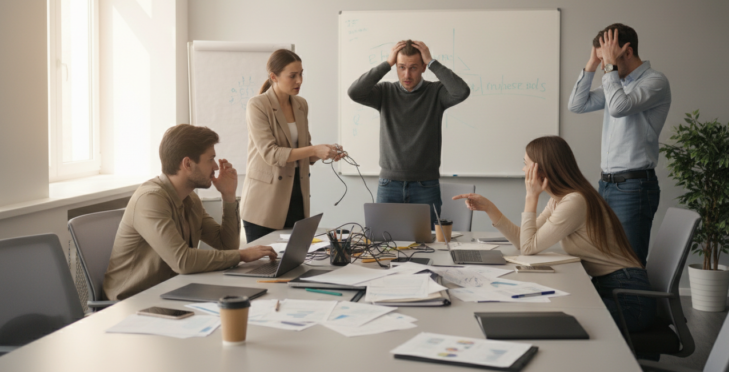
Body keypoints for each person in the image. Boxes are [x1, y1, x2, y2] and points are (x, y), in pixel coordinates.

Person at [453, 136, 656, 333]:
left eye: (526, 164)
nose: (523, 170)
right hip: (610, 287)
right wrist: (490, 208)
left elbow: (528, 248)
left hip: (629, 299)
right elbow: (524, 241)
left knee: (555, 315)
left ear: (540, 169)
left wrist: (531, 196)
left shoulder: (574, 201)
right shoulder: (560, 199)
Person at [103, 124, 277, 301]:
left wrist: (228, 196)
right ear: (187, 163)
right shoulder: (150, 199)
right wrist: (243, 255)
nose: (216, 167)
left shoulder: (190, 199)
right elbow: (182, 261)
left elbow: (226, 246)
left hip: (172, 291)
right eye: (210, 159)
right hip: (131, 303)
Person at [567, 24, 671, 266]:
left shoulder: (655, 81)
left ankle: (635, 305)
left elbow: (618, 108)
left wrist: (610, 69)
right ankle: (613, 305)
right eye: (603, 61)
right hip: (607, 185)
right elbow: (577, 105)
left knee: (628, 263)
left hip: (634, 187)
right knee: (606, 261)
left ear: (627, 52)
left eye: (608, 59)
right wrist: (592, 64)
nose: (605, 66)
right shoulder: (617, 82)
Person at [348, 40, 470, 228]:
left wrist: (432, 62)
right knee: (383, 243)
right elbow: (355, 92)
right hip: (389, 184)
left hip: (426, 185)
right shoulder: (385, 92)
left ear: (423, 67)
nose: (406, 74)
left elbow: (461, 91)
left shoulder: (436, 93)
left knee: (427, 244)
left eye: (413, 68)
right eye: (401, 67)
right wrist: (386, 64)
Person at [240, 49, 344, 242]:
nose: (299, 81)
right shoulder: (257, 105)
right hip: (264, 202)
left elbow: (303, 149)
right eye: (293, 76)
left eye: (301, 74)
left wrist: (325, 152)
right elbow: (271, 154)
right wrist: (314, 150)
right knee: (265, 266)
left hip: (297, 195)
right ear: (274, 77)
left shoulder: (301, 105)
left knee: (295, 263)